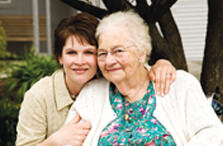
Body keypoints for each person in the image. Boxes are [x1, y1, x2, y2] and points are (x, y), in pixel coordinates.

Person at [16, 12, 176, 146]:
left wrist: (162, 64)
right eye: (71, 53)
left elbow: (135, 67)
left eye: (89, 53)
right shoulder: (39, 96)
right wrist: (54, 142)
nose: (80, 61)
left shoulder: (110, 79)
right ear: (60, 57)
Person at [66, 11, 223, 145]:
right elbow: (70, 141)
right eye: (102, 53)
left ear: (142, 53)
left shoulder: (179, 85)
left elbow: (212, 133)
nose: (109, 61)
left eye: (118, 51)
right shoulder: (91, 95)